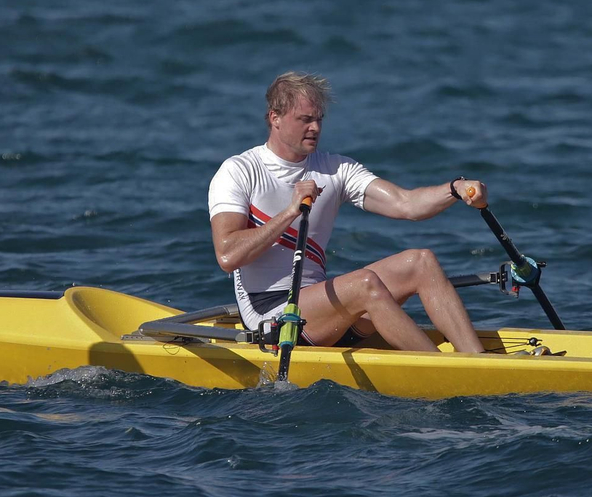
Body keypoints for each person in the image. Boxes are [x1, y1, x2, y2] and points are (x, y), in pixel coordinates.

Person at [207, 72, 488, 353]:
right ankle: (442, 369)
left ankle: (477, 359)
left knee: (421, 262)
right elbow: (228, 256)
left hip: (323, 312)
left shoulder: (336, 169)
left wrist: (455, 189)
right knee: (364, 284)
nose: (315, 128)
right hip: (271, 316)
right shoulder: (240, 171)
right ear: (275, 118)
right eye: (305, 119)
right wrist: (291, 212)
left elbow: (406, 204)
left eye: (319, 119)